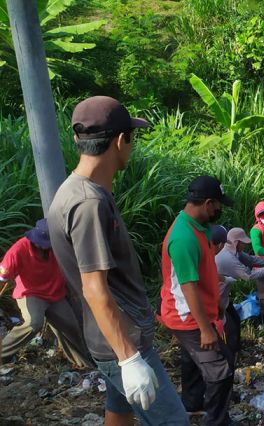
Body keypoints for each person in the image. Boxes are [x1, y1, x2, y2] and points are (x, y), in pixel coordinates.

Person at [48, 96, 187, 424]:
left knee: (119, 410)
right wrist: (129, 359)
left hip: (110, 337)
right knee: (174, 421)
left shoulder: (75, 191)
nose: (132, 145)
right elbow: (94, 288)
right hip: (120, 344)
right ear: (121, 140)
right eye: (132, 138)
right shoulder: (88, 204)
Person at [159, 175, 236, 426]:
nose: (219, 210)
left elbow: (204, 274)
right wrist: (205, 328)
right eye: (217, 205)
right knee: (220, 371)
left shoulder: (198, 227)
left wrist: (217, 306)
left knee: (193, 359)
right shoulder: (184, 237)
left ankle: (192, 403)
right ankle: (216, 421)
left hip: (195, 312)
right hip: (188, 316)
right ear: (207, 203)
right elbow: (188, 286)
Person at [0, 219, 91, 368]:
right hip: (31, 292)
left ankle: (83, 364)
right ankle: (3, 353)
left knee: (71, 327)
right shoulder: (19, 249)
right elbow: (2, 276)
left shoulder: (60, 247)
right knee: (34, 322)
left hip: (55, 293)